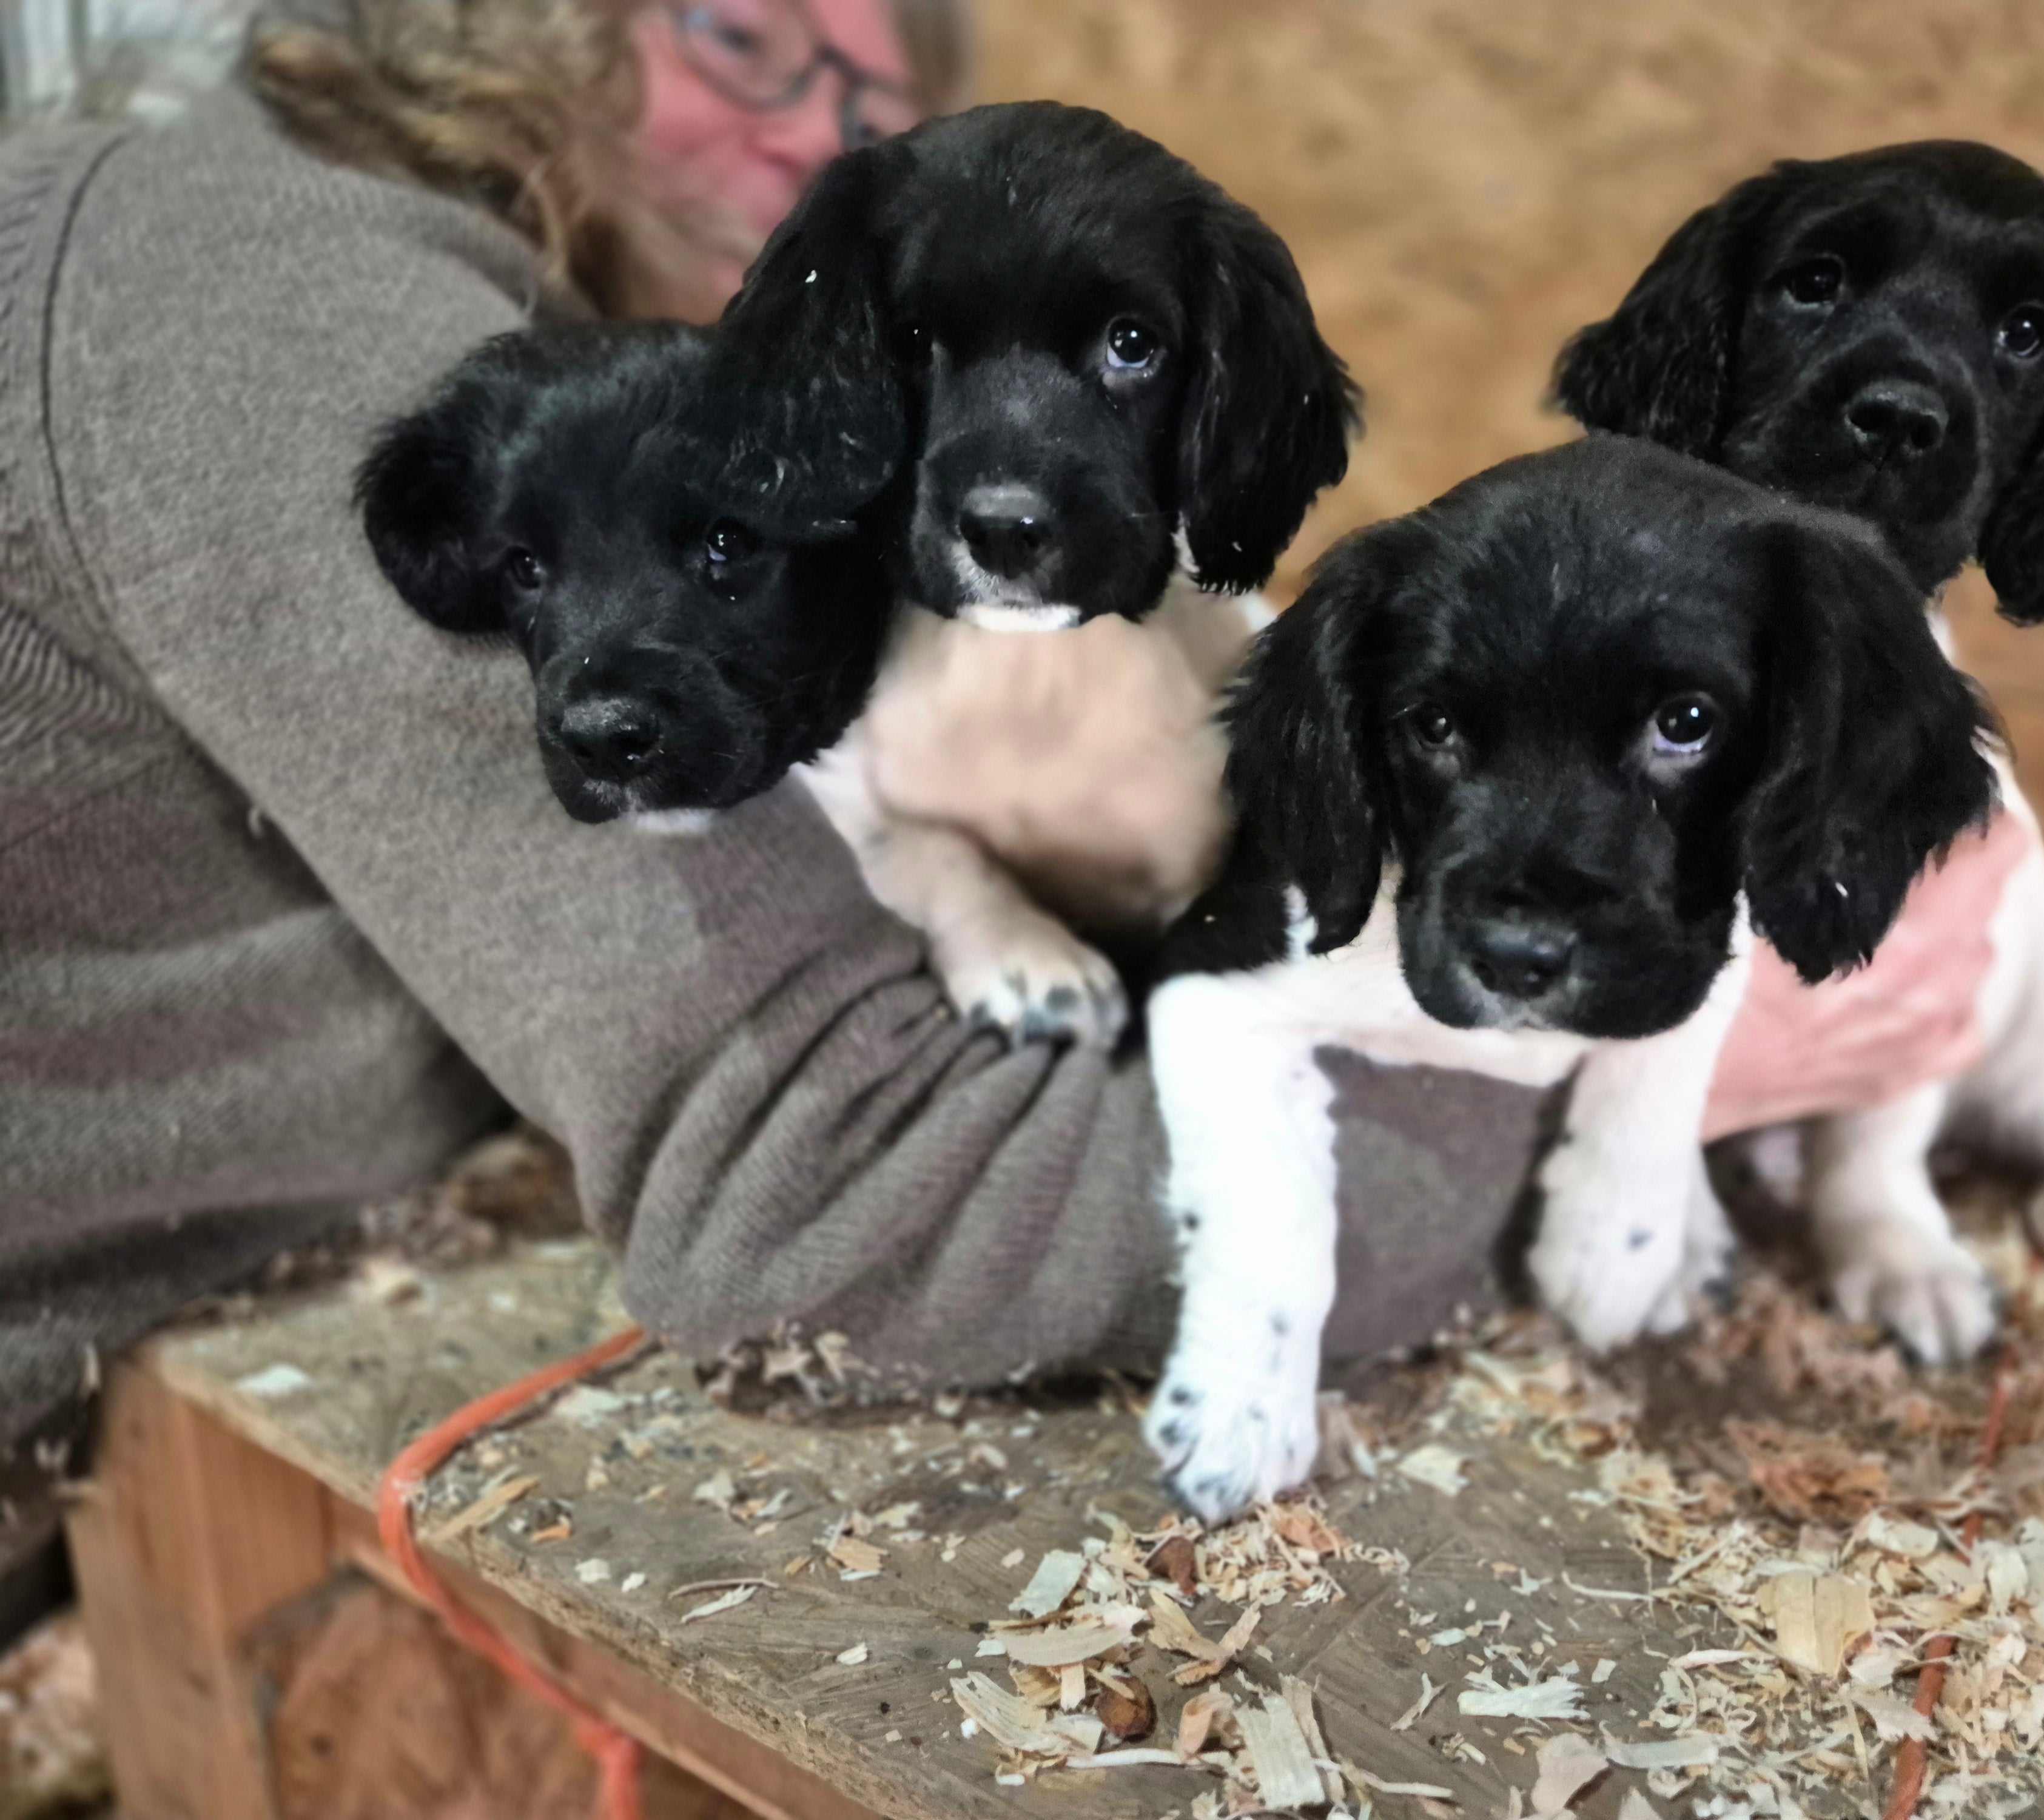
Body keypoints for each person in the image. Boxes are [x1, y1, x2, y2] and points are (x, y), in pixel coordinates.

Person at [0, 0, 1550, 1456]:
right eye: (742, 40)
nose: (810, 148)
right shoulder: (300, 319)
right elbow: (840, 1207)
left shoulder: (609, 363)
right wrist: (1540, 1047)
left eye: (866, 102)